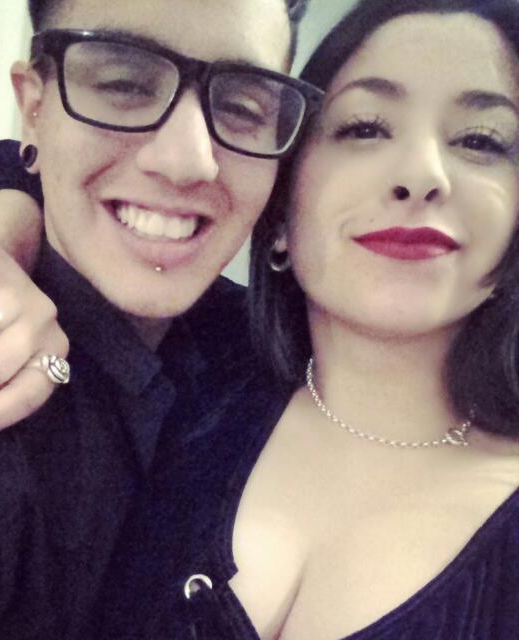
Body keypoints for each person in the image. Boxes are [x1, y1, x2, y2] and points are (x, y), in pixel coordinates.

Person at [0, 0, 322, 637]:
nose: (187, 160)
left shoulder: (284, 362)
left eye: (242, 107)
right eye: (124, 85)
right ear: (34, 106)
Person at [92, 0, 519, 638]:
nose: (422, 175)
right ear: (280, 212)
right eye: (366, 127)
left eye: (480, 141)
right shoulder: (182, 362)